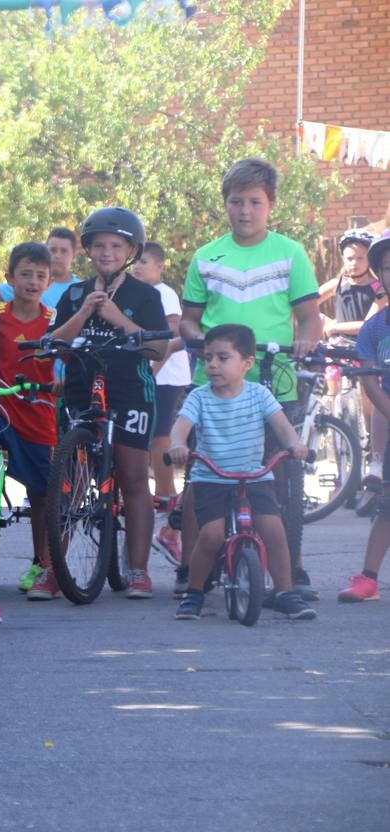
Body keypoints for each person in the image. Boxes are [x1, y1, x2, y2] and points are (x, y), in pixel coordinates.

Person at [178, 158, 322, 615]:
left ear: (270, 205)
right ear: (225, 204)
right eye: (236, 202)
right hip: (215, 378)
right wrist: (195, 340)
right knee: (204, 478)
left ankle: (288, 574)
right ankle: (193, 570)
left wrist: (307, 340)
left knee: (275, 479)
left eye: (255, 202)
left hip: (273, 378)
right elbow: (188, 319)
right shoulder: (206, 255)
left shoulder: (290, 252)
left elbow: (310, 315)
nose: (245, 210)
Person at [49, 207, 168, 598]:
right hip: (83, 386)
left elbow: (156, 347)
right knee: (72, 480)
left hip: (129, 388)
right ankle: (56, 570)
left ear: (131, 250)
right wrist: (84, 312)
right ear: (87, 250)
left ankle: (137, 570)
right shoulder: (75, 293)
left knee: (133, 475)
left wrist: (116, 317)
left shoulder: (145, 295)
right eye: (98, 245)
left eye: (116, 246)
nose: (106, 252)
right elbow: (56, 343)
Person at [167, 324, 311, 620]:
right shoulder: (199, 397)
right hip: (211, 478)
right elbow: (179, 429)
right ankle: (194, 594)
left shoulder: (259, 395)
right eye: (208, 358)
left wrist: (295, 445)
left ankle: (285, 592)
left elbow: (283, 428)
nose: (213, 365)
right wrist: (178, 446)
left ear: (247, 363)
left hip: (255, 476)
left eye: (223, 357)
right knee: (210, 536)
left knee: (274, 530)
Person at [0, 242, 60, 599]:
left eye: (41, 276)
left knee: (40, 492)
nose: (33, 281)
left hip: (39, 410)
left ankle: (42, 562)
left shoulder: (54, 320)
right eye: (25, 274)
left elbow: (61, 363)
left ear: (49, 280)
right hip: (0, 407)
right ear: (10, 277)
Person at [337, 230, 390, 602]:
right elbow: (371, 383)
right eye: (389, 268)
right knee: (388, 506)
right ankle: (368, 577)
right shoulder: (374, 327)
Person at [318, 228, 386, 516]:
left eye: (360, 258)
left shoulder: (377, 288)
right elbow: (308, 301)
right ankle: (341, 468)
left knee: (371, 404)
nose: (354, 263)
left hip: (363, 349)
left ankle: (374, 456)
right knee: (334, 403)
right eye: (349, 258)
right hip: (336, 350)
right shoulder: (339, 282)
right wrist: (317, 320)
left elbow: (366, 325)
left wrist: (332, 326)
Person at [135, 241, 190, 566]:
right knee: (156, 434)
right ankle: (164, 493)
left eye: (144, 261)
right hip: (156, 373)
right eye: (136, 262)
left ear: (161, 266)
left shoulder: (163, 293)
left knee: (160, 436)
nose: (138, 267)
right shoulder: (141, 295)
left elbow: (171, 329)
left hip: (165, 375)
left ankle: (166, 494)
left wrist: (152, 368)